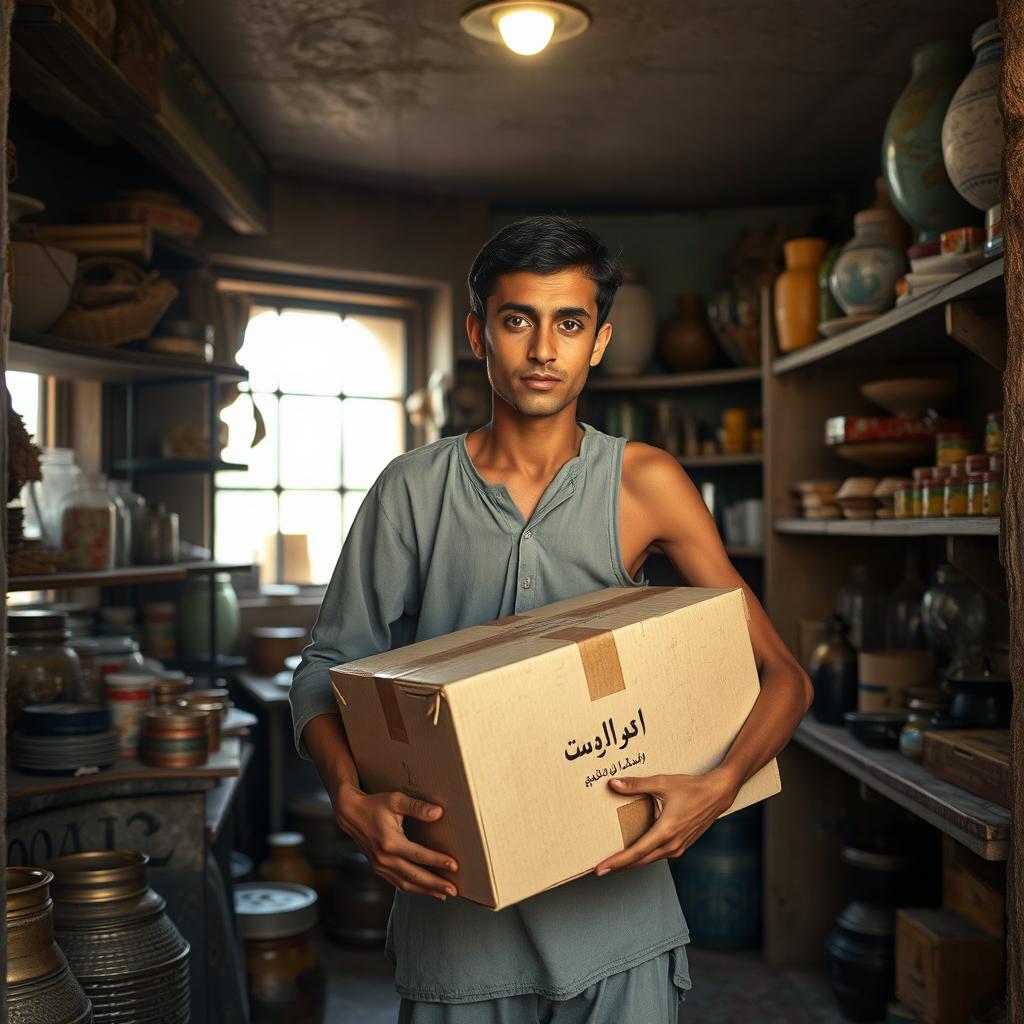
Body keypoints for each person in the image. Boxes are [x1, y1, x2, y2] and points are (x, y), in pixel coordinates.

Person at [290, 215, 813, 1023]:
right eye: (517, 320)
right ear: (478, 333)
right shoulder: (411, 490)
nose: (543, 350)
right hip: (456, 921)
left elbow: (784, 677)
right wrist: (348, 798)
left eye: (569, 323)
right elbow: (325, 669)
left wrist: (715, 789)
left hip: (619, 915)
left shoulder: (644, 482)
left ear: (598, 340)